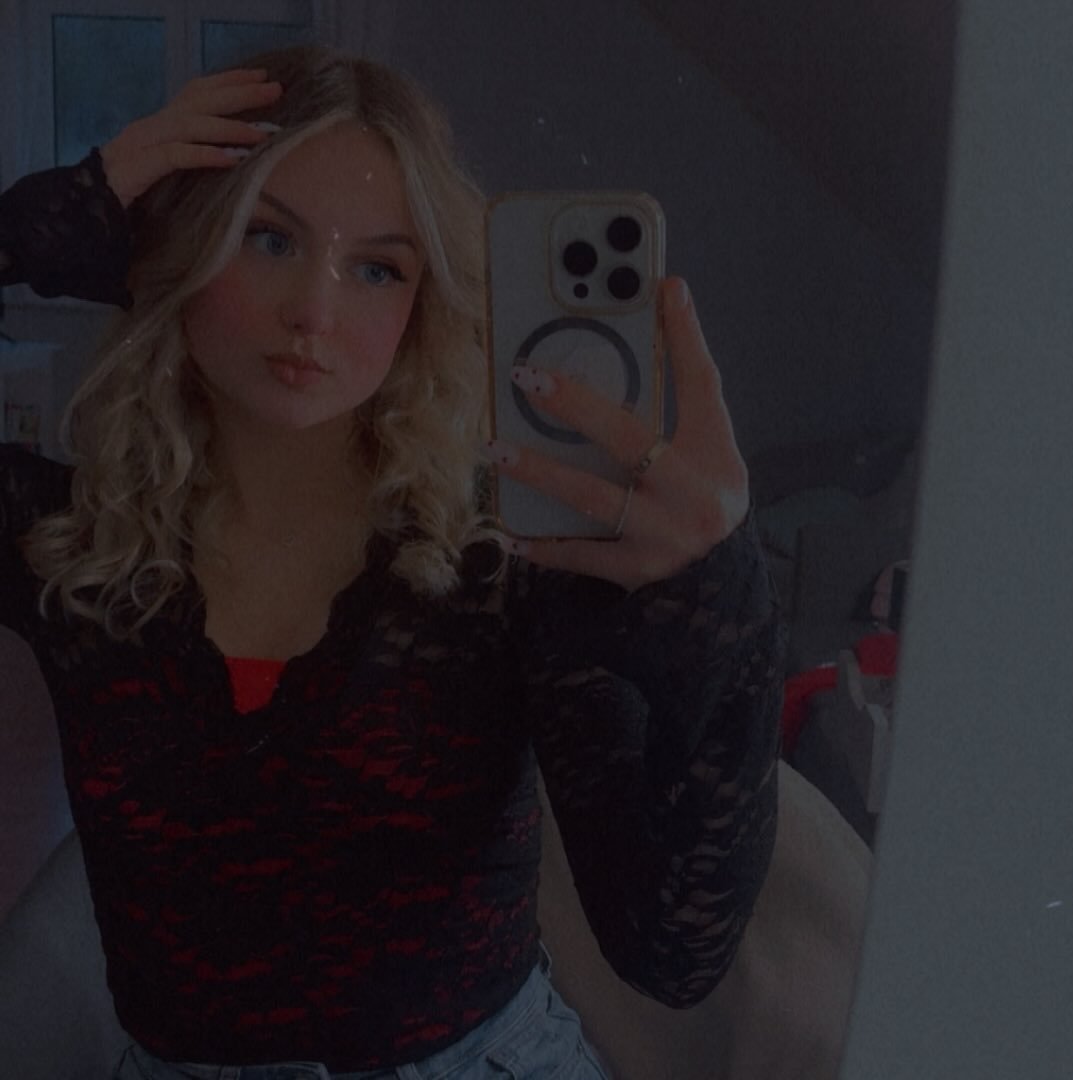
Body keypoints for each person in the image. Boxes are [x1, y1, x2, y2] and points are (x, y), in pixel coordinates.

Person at [0, 45, 785, 1080]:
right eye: (267, 237)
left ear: (423, 304)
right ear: (187, 244)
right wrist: (65, 213)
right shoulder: (68, 543)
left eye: (377, 268)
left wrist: (729, 617)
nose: (314, 312)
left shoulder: (503, 562)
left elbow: (672, 951)